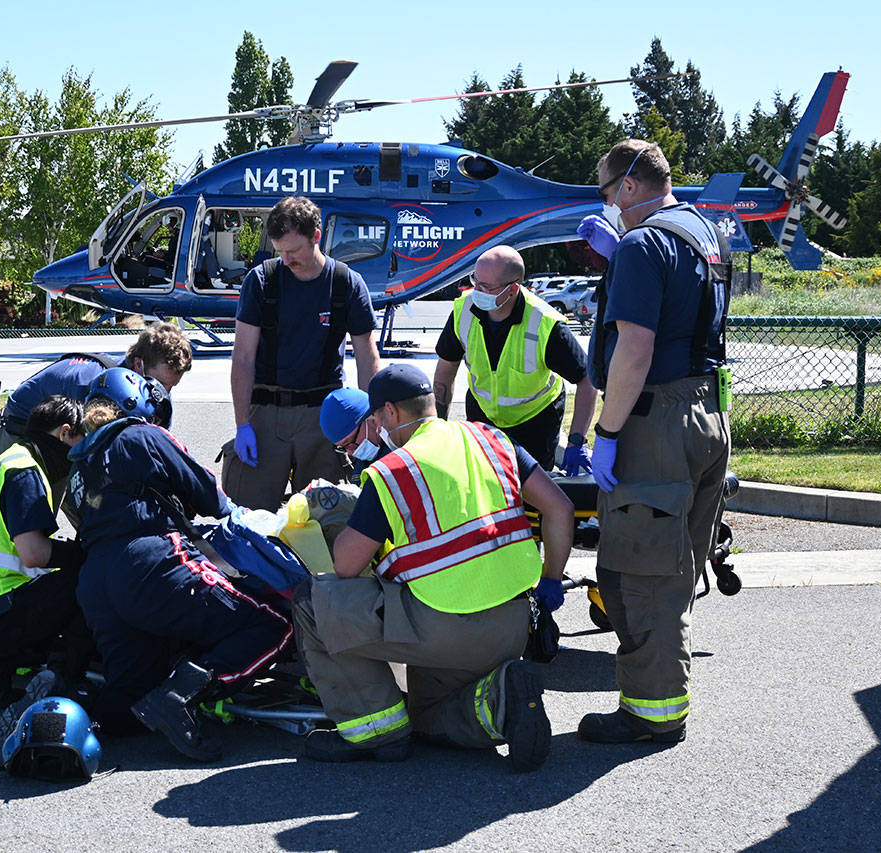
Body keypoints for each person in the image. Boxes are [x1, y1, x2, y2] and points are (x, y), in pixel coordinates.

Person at [293, 364, 574, 771]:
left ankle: (375, 731)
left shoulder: (393, 471)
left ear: (389, 414)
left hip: (444, 625)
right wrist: (551, 580)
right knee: (429, 713)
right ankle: (503, 701)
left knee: (313, 602)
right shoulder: (490, 439)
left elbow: (347, 565)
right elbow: (560, 508)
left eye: (374, 418)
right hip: (514, 624)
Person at [577, 139, 731, 746]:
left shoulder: (644, 243)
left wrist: (608, 432)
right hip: (703, 412)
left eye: (605, 190)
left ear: (631, 185)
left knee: (642, 573)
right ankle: (661, 697)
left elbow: (635, 350)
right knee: (676, 565)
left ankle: (652, 711)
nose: (606, 203)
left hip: (655, 422)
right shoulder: (702, 231)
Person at [65, 367, 293, 762]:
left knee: (126, 703)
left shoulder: (77, 467)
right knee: (272, 623)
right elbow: (211, 499)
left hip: (95, 582)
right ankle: (181, 696)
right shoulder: (143, 434)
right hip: (149, 562)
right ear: (137, 403)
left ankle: (62, 700)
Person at [225, 196, 381, 512]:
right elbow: (243, 356)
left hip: (324, 417)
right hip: (265, 414)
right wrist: (242, 424)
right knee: (249, 517)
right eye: (280, 251)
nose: (286, 259)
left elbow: (367, 356)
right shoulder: (261, 281)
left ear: (316, 237)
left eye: (293, 251)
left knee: (325, 517)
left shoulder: (346, 284)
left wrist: (372, 421)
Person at [0, 395, 92, 709]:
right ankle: (62, 679)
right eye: (82, 440)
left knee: (60, 587)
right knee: (89, 582)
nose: (80, 452)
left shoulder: (11, 459)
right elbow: (35, 554)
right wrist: (82, 554)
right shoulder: (25, 471)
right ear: (65, 433)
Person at [433, 245, 598, 474]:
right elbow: (446, 368)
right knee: (485, 485)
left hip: (536, 420)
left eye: (486, 287)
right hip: (483, 413)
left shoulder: (545, 324)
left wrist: (576, 441)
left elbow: (587, 379)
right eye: (475, 281)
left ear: (512, 290)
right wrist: (439, 426)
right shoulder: (464, 310)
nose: (476, 290)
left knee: (531, 497)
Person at [0, 321, 192, 461]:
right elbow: (89, 450)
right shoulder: (93, 382)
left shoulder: (153, 387)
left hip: (66, 433)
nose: (164, 392)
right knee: (31, 507)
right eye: (162, 383)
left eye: (171, 387)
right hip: (22, 427)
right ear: (139, 364)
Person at [318, 386, 384, 481]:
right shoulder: (361, 465)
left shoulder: (402, 449)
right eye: (342, 448)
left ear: (372, 418)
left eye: (349, 442)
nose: (350, 452)